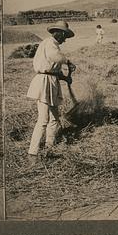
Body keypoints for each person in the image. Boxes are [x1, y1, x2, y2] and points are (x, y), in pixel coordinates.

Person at [26, 20, 75, 162]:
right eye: (64, 36)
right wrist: (69, 62)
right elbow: (56, 58)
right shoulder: (50, 43)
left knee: (54, 118)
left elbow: (54, 70)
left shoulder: (53, 45)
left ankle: (49, 146)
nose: (65, 40)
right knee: (43, 119)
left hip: (51, 82)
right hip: (44, 83)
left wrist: (65, 78)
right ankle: (33, 153)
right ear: (58, 33)